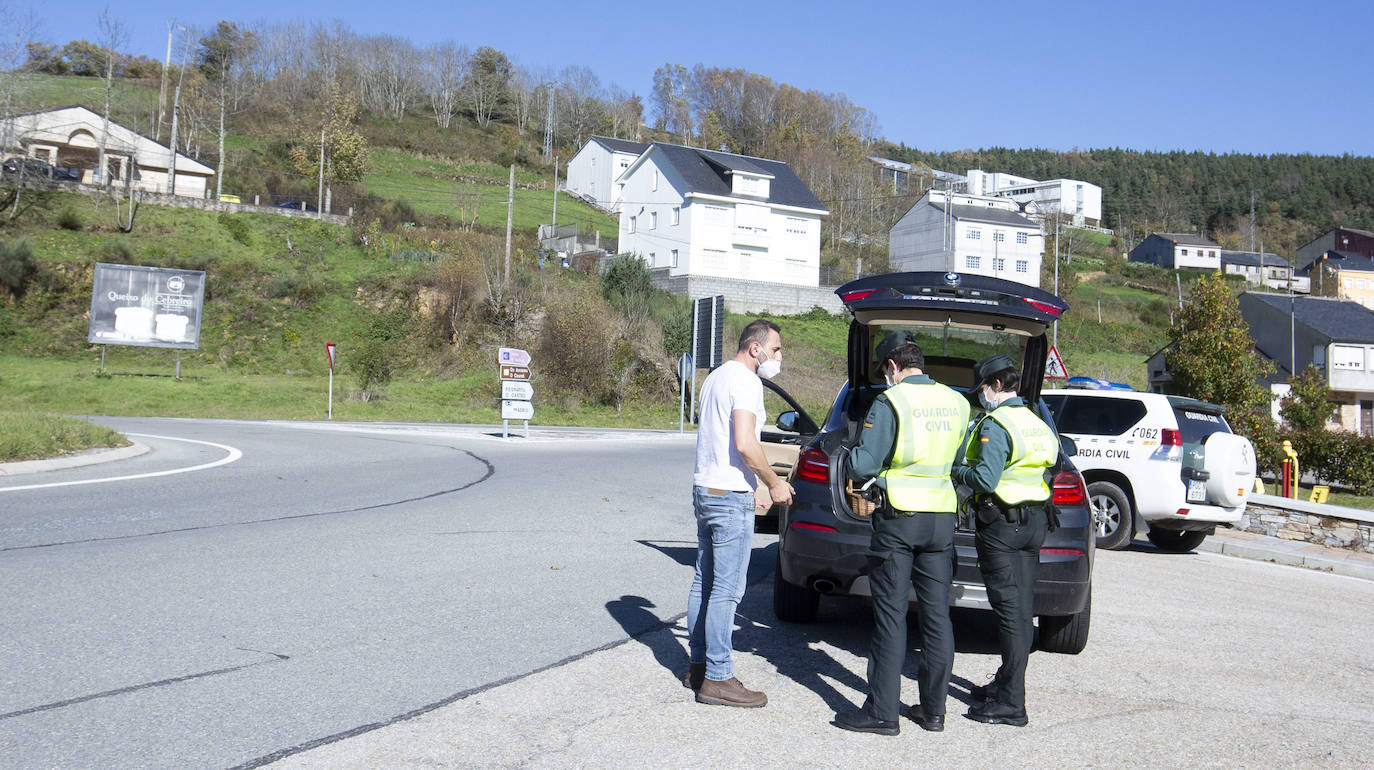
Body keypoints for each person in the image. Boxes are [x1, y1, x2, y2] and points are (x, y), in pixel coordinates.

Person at [833, 335, 969, 736]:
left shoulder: (891, 402)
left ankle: (882, 712)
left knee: (892, 617)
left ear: (892, 367)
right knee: (937, 616)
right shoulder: (958, 403)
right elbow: (961, 463)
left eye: (884, 371)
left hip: (899, 520)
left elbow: (864, 464)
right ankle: (934, 712)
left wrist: (853, 453)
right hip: (942, 519)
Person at [685, 319, 794, 708]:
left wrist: (752, 487)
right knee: (727, 591)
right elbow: (745, 443)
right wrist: (774, 483)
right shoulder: (747, 381)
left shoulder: (714, 377)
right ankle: (718, 677)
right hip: (728, 497)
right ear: (755, 349)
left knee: (705, 581)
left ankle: (698, 666)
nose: (778, 357)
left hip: (706, 489)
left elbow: (722, 444)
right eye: (776, 350)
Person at [953, 353, 1059, 728]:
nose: (981, 396)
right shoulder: (1036, 422)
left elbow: (985, 479)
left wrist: (957, 470)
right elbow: (1056, 464)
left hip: (1002, 525)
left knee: (1010, 616)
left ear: (996, 385)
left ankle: (1013, 704)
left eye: (982, 388)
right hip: (1034, 523)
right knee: (1021, 609)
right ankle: (1006, 683)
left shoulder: (996, 424)